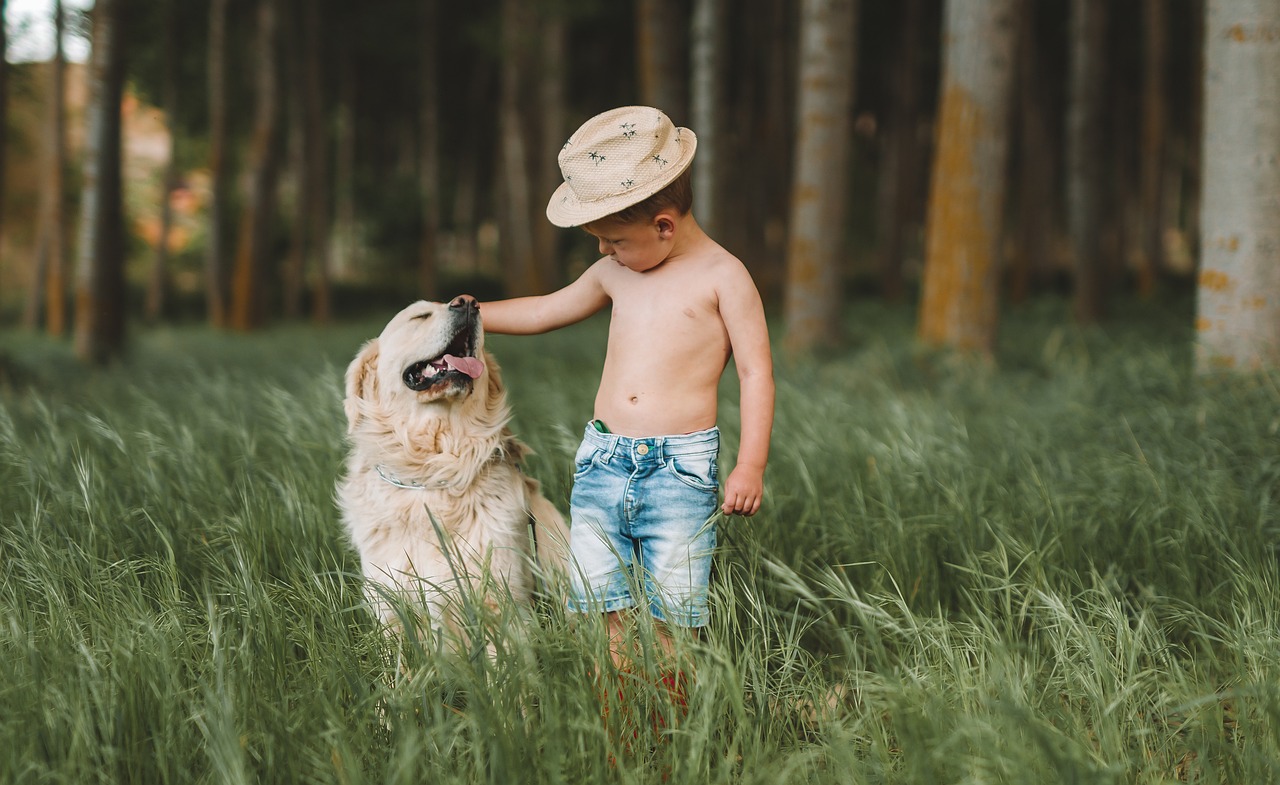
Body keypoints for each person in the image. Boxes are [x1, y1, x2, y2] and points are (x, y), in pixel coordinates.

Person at [473, 106, 774, 686]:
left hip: (679, 470)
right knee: (600, 605)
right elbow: (542, 310)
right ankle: (617, 723)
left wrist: (750, 464)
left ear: (664, 225)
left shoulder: (724, 277)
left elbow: (756, 373)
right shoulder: (616, 273)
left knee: (674, 612)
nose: (605, 253)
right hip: (604, 463)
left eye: (615, 241)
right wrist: (471, 314)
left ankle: (670, 726)